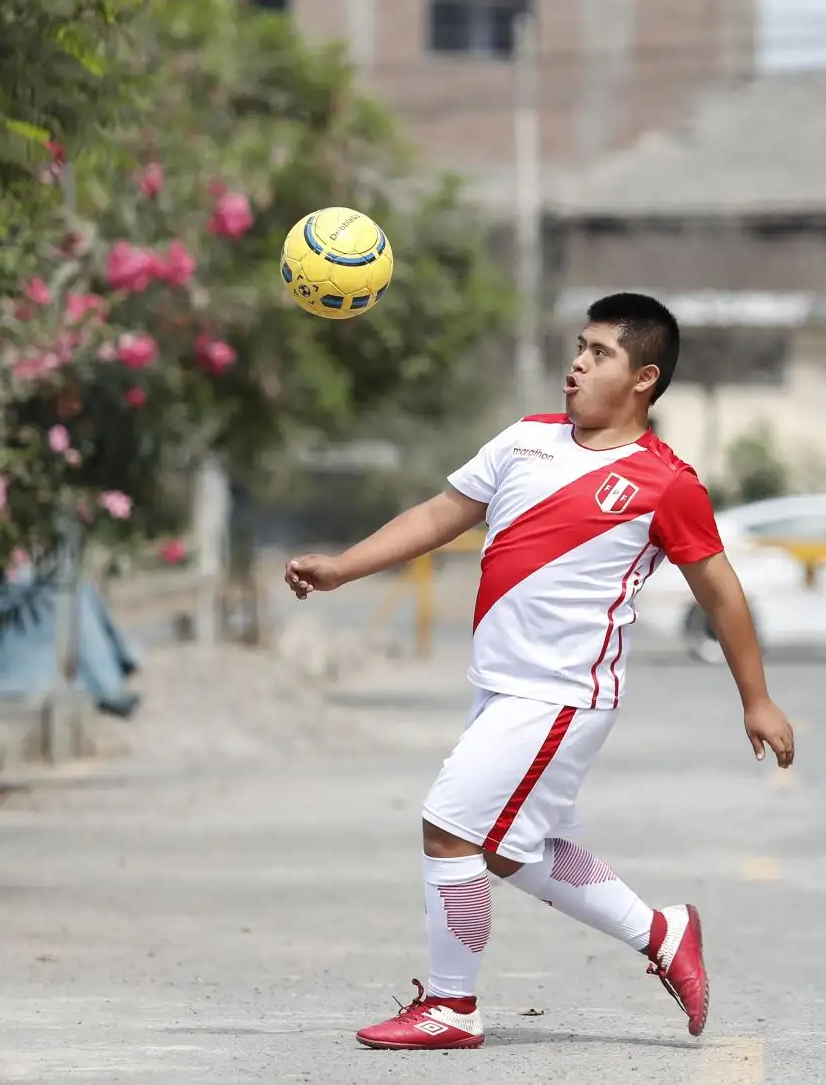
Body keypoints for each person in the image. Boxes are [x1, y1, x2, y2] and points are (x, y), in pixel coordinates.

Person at [284, 292, 796, 1051]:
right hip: (501, 686)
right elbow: (439, 513)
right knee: (508, 848)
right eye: (579, 347)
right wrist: (343, 568)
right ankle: (662, 932)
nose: (577, 364)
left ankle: (452, 1005)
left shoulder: (667, 483)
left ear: (644, 379)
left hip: (562, 693)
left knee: (450, 826)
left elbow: (720, 592)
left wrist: (757, 699)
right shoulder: (526, 439)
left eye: (600, 353)